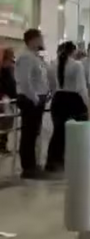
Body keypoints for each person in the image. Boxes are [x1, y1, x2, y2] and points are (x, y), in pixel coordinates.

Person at [47, 41, 89, 173]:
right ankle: (73, 160)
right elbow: (81, 87)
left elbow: (52, 86)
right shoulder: (77, 65)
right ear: (74, 51)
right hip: (73, 101)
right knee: (75, 132)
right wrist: (87, 104)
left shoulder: (53, 65)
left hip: (58, 99)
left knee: (58, 131)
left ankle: (54, 161)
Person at [15, 29, 49, 179]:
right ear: (33, 40)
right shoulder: (26, 57)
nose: (42, 41)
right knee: (28, 134)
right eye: (40, 38)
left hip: (36, 99)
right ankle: (28, 168)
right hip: (30, 100)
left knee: (34, 133)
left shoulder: (35, 57)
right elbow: (25, 81)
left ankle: (33, 164)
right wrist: (35, 98)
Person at [0, 48, 15, 155]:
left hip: (9, 99)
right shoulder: (3, 70)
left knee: (7, 124)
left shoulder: (9, 69)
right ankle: (2, 145)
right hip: (3, 100)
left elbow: (12, 84)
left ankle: (3, 145)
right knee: (4, 124)